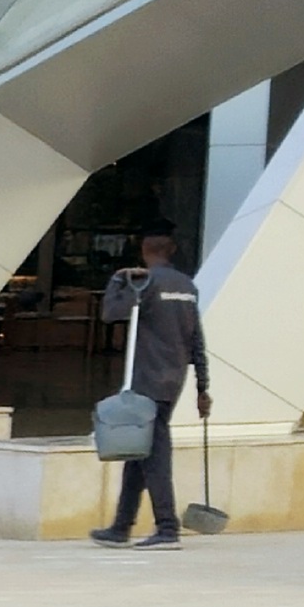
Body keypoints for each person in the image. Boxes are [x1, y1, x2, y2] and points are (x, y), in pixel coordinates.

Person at [94, 231, 211, 545]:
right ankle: (121, 527)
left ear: (145, 252)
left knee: (155, 456)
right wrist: (202, 387)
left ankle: (167, 528)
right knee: (137, 452)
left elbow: (110, 313)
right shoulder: (187, 286)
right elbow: (196, 339)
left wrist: (118, 280)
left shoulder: (145, 283)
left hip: (146, 381)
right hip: (172, 381)